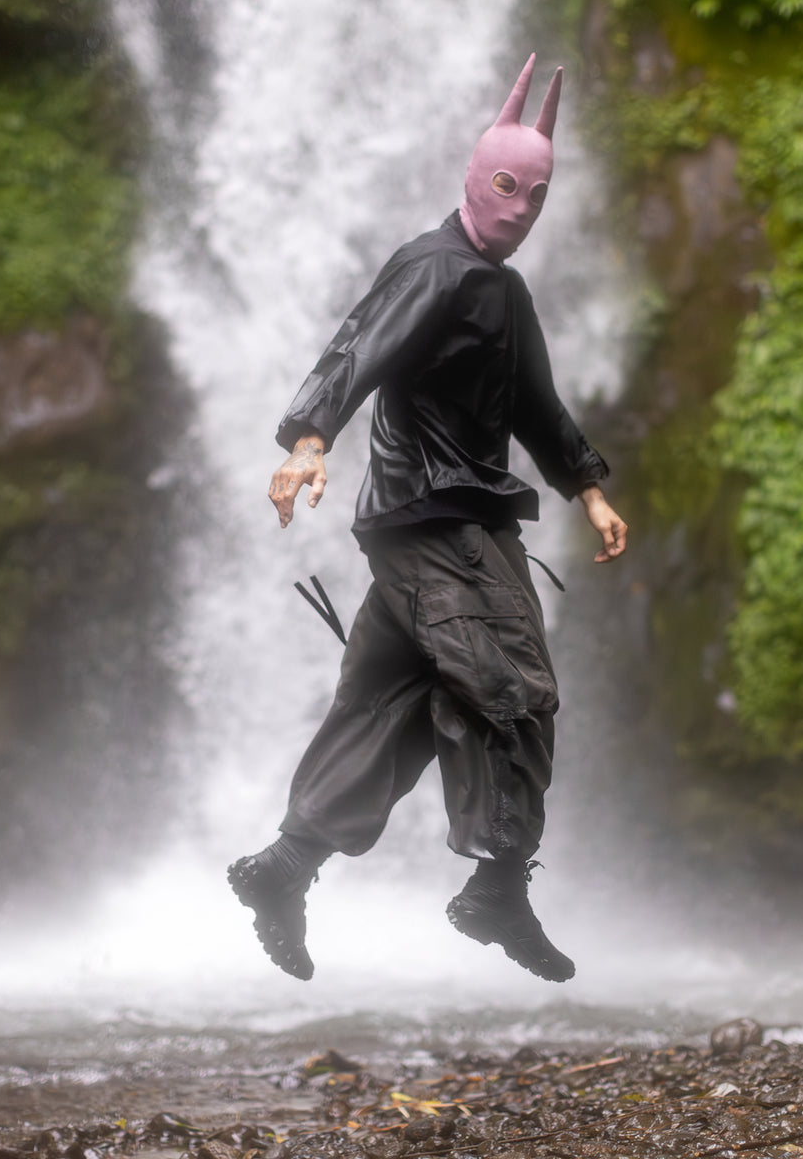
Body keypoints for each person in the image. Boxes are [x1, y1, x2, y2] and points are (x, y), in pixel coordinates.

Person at [228, 54, 627, 983]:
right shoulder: (432, 267)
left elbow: (536, 403)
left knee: (392, 704)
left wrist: (589, 487)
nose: (522, 207)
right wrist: (309, 440)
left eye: (537, 193)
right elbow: (358, 346)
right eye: (507, 185)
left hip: (460, 525)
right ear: (472, 177)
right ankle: (496, 886)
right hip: (436, 525)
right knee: (515, 684)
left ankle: (283, 870)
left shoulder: (506, 292)